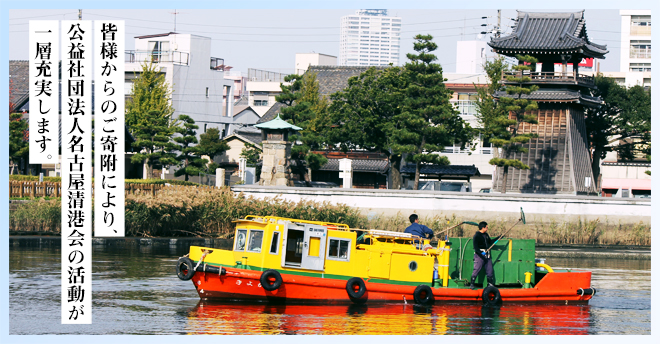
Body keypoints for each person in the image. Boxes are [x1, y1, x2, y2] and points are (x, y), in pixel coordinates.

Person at [470, 221, 503, 290]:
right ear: (483, 228)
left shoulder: (486, 235)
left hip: (487, 255)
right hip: (479, 255)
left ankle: (490, 285)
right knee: (476, 269)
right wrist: (481, 253)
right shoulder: (476, 236)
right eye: (486, 227)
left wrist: (498, 238)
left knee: (489, 270)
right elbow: (476, 248)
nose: (487, 229)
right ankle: (472, 284)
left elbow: (490, 242)